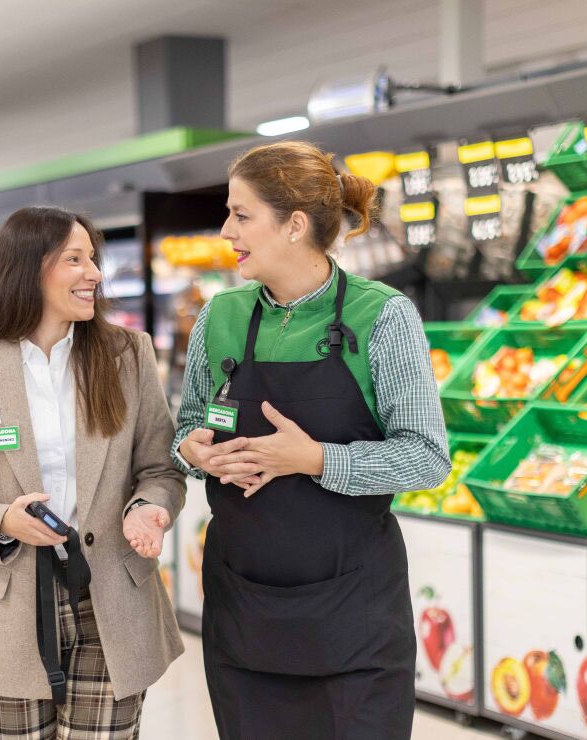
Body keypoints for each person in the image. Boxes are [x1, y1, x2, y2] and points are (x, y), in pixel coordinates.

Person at [171, 141, 451, 740]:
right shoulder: (219, 318)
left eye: (241, 215)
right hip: (244, 615)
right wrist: (194, 453)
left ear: (295, 225)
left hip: (354, 622)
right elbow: (187, 426)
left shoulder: (383, 317)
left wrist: (315, 459)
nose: (226, 231)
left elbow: (427, 458)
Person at [0, 206, 186, 740]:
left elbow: (160, 468)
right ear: (27, 268)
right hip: (9, 602)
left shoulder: (127, 354)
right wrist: (3, 521)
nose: (93, 273)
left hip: (112, 596)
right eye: (74, 259)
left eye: (93, 259)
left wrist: (148, 507)